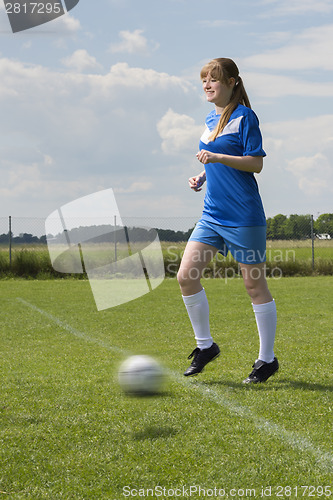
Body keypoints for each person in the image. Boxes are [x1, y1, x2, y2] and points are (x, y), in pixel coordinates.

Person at [177, 58, 278, 384]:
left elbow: (255, 163)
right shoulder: (210, 118)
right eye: (204, 80)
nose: (207, 85)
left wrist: (217, 157)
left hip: (243, 217)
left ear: (233, 82)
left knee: (254, 286)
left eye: (214, 79)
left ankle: (266, 360)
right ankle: (205, 346)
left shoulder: (245, 117)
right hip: (212, 215)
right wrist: (204, 175)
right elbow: (218, 157)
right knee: (185, 277)